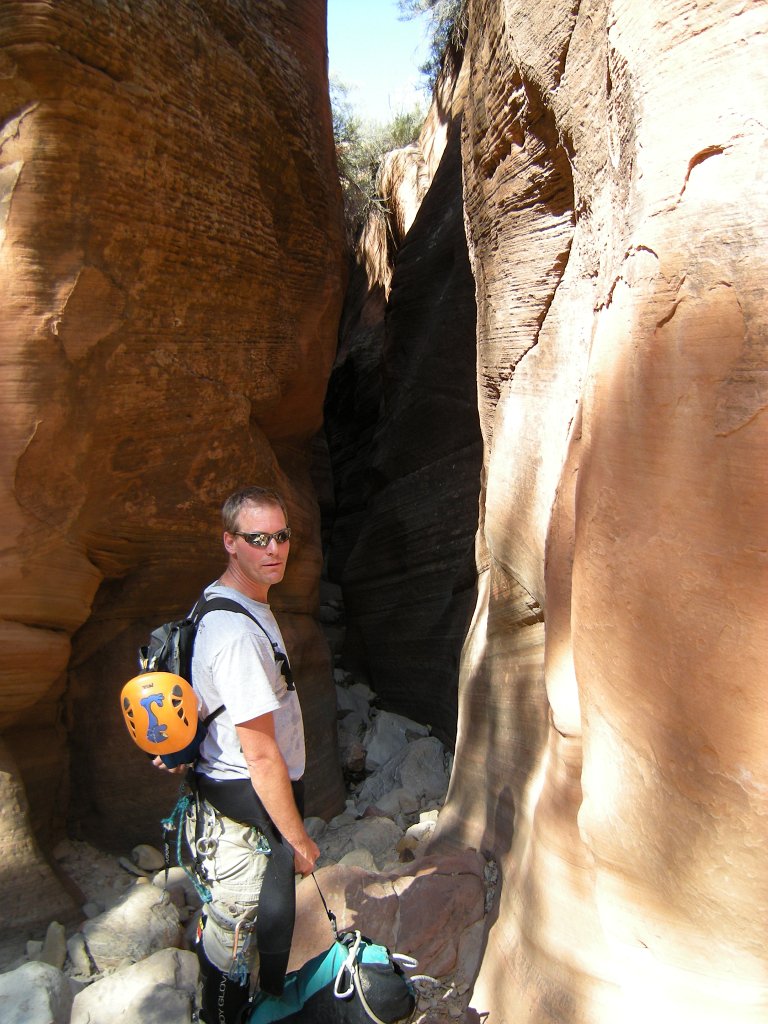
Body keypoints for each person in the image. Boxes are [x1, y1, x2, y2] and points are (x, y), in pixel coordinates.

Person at [155, 486, 319, 1024]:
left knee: (233, 933)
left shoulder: (224, 600)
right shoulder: (237, 635)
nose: (273, 549)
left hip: (223, 801)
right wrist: (296, 839)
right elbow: (262, 753)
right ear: (230, 542)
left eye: (281, 536)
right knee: (238, 939)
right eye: (257, 539)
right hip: (245, 812)